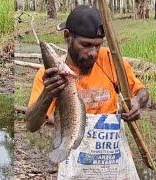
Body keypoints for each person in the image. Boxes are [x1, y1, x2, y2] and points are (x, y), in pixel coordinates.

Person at [26, 5, 149, 179]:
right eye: (86, 45)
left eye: (97, 46)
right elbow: (31, 125)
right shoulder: (49, 75)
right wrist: (48, 93)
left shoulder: (111, 61)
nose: (93, 53)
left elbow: (142, 92)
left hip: (112, 162)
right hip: (75, 164)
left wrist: (136, 102)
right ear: (68, 37)